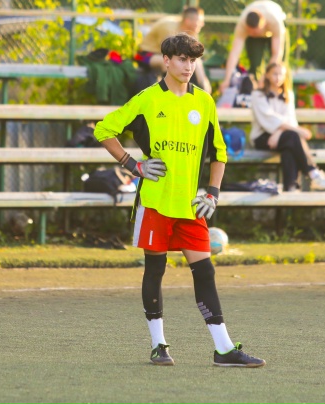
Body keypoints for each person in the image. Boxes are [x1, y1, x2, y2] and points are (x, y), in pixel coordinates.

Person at [94, 33, 265, 368]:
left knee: (205, 272)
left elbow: (219, 153)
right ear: (166, 61)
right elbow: (103, 130)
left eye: (193, 60)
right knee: (155, 269)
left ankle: (223, 349)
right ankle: (158, 345)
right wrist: (133, 165)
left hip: (189, 205)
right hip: (155, 202)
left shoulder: (204, 102)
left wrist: (213, 193)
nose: (188, 66)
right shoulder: (147, 99)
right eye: (182, 59)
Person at [250, 62, 325, 192]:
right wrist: (295, 130)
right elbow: (268, 118)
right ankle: (313, 173)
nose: (278, 77)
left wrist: (279, 133)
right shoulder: (258, 95)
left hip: (283, 136)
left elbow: (290, 119)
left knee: (289, 149)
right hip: (263, 137)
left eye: (281, 74)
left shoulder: (288, 95)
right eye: (274, 74)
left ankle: (290, 189)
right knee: (293, 136)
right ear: (267, 75)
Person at [136, 7, 211, 93]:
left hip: (162, 55)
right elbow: (168, 52)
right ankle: (169, 93)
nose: (202, 24)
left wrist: (204, 82)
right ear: (188, 21)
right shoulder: (168, 27)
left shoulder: (191, 32)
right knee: (168, 62)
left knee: (194, 61)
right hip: (144, 56)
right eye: (199, 21)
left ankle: (200, 91)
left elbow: (196, 58)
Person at [219, 0, 286, 93]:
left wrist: (265, 76)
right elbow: (234, 53)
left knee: (280, 66)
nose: (251, 34)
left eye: (254, 32)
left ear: (264, 24)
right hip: (256, 34)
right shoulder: (242, 25)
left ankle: (281, 94)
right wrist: (227, 80)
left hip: (275, 32)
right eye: (249, 31)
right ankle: (257, 93)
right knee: (255, 65)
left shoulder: (274, 21)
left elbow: (277, 53)